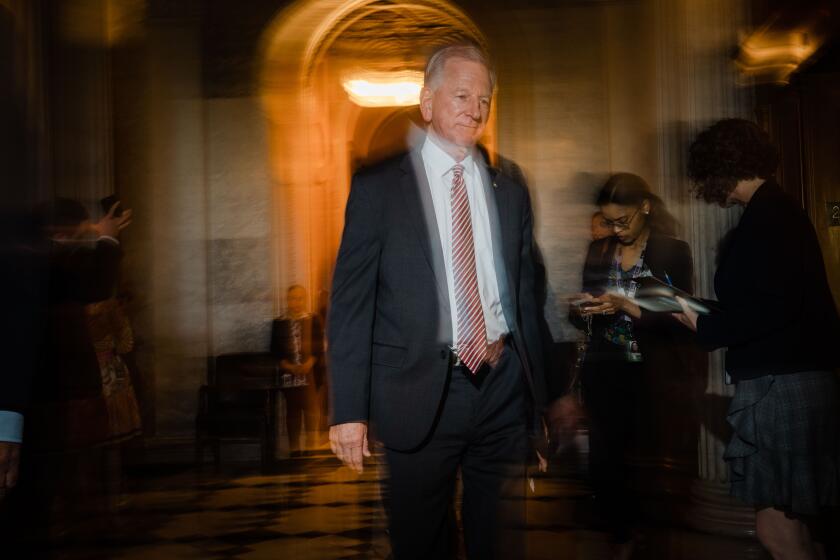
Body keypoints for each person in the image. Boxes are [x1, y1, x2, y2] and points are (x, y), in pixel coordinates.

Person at [327, 43, 548, 559]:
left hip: (501, 389)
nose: (475, 109)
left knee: (500, 541)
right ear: (428, 103)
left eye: (485, 100)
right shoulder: (379, 188)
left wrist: (540, 401)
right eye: (462, 95)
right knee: (421, 543)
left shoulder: (509, 187)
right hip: (418, 394)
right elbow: (352, 302)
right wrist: (348, 410)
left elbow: (525, 296)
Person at [676, 118, 840, 560]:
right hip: (791, 380)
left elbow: (774, 309)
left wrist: (705, 326)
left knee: (778, 531)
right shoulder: (774, 210)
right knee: (796, 529)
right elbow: (764, 301)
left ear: (721, 166)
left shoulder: (770, 215)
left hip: (782, 386)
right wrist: (692, 309)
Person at [569, 173, 696, 560]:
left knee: (646, 465)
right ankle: (622, 538)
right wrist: (582, 309)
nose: (616, 229)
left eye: (622, 220)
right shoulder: (599, 251)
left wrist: (627, 306)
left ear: (645, 207)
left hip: (651, 373)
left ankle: (645, 537)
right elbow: (585, 311)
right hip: (604, 371)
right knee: (605, 464)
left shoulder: (671, 251)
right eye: (609, 221)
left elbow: (678, 314)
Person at [271, 285, 324, 456]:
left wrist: (310, 363)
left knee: (310, 410)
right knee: (292, 411)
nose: (296, 302)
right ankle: (294, 449)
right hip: (289, 373)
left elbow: (319, 346)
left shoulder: (313, 319)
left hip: (311, 373)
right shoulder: (279, 322)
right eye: (293, 298)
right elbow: (274, 351)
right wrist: (289, 366)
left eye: (300, 298)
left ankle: (311, 448)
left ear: (305, 300)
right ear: (287, 300)